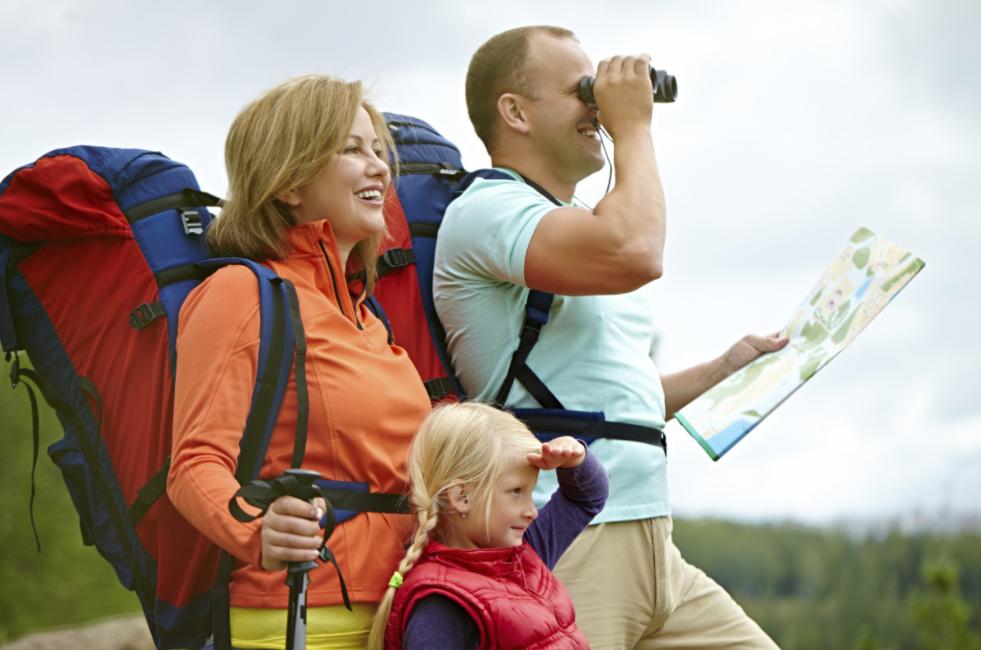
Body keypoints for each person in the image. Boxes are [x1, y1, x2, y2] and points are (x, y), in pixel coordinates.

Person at [434, 26, 788, 648]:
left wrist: (724, 368)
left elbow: (616, 404)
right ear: (514, 111)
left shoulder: (572, 229)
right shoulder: (487, 211)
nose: (598, 107)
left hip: (654, 540)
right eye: (582, 90)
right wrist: (635, 128)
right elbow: (637, 251)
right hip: (568, 535)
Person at [167, 75, 432, 650]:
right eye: (352, 149)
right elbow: (193, 464)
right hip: (301, 613)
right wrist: (258, 529)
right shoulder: (240, 292)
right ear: (289, 182)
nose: (381, 168)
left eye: (379, 151)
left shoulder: (369, 318)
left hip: (401, 606)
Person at [366, 401, 608, 649]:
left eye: (531, 492)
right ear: (462, 497)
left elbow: (587, 497)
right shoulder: (440, 602)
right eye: (516, 491)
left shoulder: (526, 551)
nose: (532, 511)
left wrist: (575, 459)